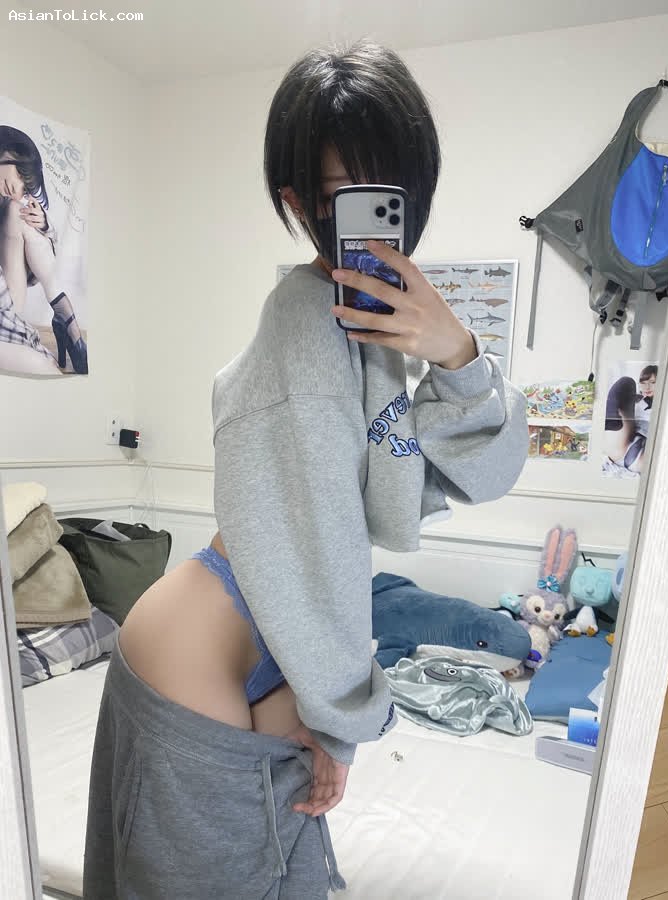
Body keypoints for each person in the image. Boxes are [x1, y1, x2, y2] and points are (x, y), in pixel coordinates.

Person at [83, 39, 529, 898]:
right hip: (209, 637)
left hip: (272, 631)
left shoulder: (376, 338)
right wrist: (342, 718)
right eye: (338, 197)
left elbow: (479, 472)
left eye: (388, 193)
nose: (368, 221)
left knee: (280, 867)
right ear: (297, 203)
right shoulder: (304, 324)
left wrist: (457, 352)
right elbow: (315, 546)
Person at [0, 127, 88, 375]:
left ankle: (63, 313)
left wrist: (44, 224)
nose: (18, 189)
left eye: (25, 185)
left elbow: (48, 254)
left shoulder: (6, 200)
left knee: (18, 211)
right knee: (45, 367)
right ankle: (66, 321)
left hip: (6, 302)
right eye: (21, 176)